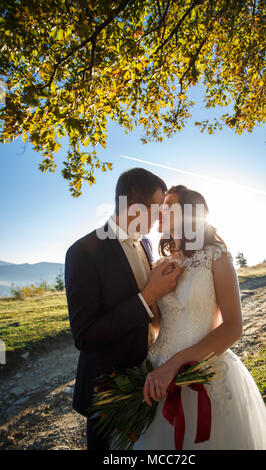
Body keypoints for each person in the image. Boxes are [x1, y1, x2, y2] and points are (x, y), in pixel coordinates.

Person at [131, 184, 266, 450]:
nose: (161, 211)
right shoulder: (158, 264)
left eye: (169, 206)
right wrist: (151, 291)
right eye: (161, 207)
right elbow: (157, 324)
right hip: (157, 376)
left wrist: (175, 364)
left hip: (204, 372)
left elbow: (233, 328)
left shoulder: (216, 255)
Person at [64, 168, 183, 450]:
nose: (158, 221)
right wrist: (147, 296)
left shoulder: (144, 242)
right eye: (155, 212)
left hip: (147, 382)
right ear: (134, 208)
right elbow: (85, 336)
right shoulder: (82, 252)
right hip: (108, 392)